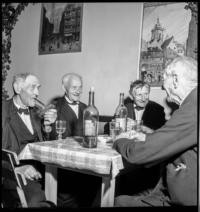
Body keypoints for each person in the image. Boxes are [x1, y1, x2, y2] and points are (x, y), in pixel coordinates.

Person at [113, 56, 197, 206]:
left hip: (183, 197)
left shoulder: (192, 108)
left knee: (117, 202)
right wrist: (148, 136)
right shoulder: (191, 104)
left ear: (176, 79)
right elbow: (171, 137)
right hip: (174, 188)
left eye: (164, 82)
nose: (164, 88)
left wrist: (120, 140)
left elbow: (139, 154)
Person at [2, 73, 57, 207]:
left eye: (38, 88)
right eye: (33, 88)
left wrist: (48, 127)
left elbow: (46, 144)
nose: (37, 93)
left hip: (43, 168)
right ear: (18, 88)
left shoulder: (38, 111)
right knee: (35, 198)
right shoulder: (3, 110)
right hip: (13, 173)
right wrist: (16, 169)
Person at [49, 73, 101, 208]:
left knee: (96, 187)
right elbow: (49, 136)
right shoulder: (54, 107)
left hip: (86, 163)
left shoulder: (86, 108)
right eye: (74, 87)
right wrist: (48, 124)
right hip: (64, 166)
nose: (78, 91)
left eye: (80, 87)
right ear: (64, 87)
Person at [117, 80, 166, 196]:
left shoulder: (157, 109)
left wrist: (144, 129)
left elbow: (162, 136)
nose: (144, 98)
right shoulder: (123, 107)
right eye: (139, 94)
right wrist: (119, 125)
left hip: (147, 159)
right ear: (131, 95)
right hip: (126, 153)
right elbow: (109, 130)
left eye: (146, 94)